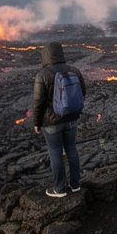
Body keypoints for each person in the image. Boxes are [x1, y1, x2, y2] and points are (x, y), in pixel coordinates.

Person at [32, 42, 88, 198]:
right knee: (72, 149)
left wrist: (37, 122)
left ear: (46, 55)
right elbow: (82, 92)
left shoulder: (43, 74)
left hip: (51, 123)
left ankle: (60, 189)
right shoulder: (74, 70)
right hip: (72, 119)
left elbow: (39, 102)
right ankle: (76, 184)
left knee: (56, 153)